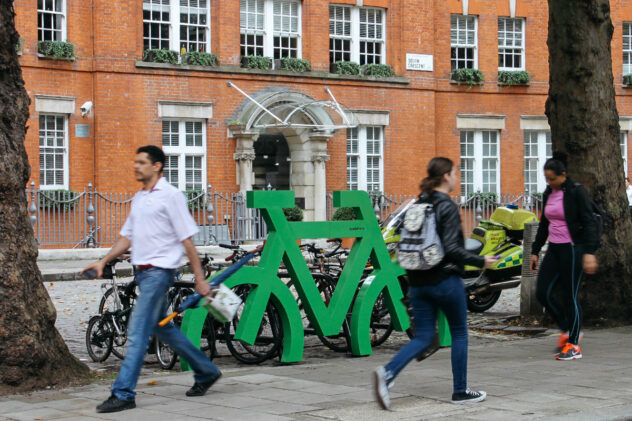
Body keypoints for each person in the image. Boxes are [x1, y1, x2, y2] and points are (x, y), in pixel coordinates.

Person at [83, 145, 221, 413]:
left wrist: (199, 278)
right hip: (143, 273)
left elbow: (187, 239)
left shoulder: (170, 196)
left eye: (142, 162)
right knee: (162, 327)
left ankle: (123, 392)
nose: (136, 166)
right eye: (136, 162)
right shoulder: (139, 197)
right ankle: (206, 371)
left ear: (156, 166)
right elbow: (127, 237)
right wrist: (103, 261)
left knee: (136, 332)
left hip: (160, 273)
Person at [373, 157, 495, 409]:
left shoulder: (418, 202)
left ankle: (387, 374)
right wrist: (481, 260)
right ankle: (460, 391)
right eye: (455, 173)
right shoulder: (447, 206)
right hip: (445, 281)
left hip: (417, 281)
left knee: (423, 337)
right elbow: (451, 249)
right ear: (446, 176)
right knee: (459, 333)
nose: (457, 177)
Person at [530, 152, 598, 361]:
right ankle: (567, 329)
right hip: (554, 248)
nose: (550, 183)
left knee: (570, 296)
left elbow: (589, 222)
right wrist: (534, 250)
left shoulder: (577, 193)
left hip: (573, 249)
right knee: (542, 292)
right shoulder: (548, 193)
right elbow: (544, 224)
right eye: (547, 179)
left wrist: (589, 252)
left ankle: (574, 344)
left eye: (553, 179)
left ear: (563, 175)